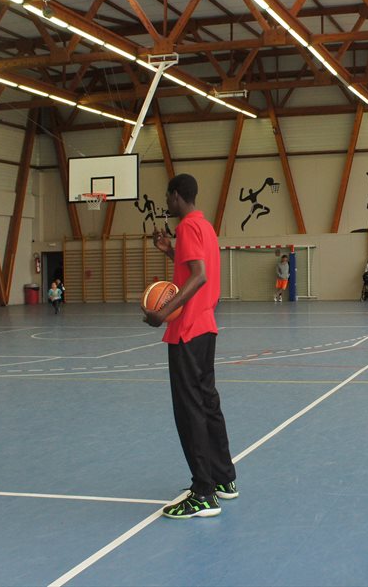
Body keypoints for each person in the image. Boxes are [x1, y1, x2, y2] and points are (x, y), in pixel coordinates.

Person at [144, 174, 236, 519]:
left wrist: (162, 312)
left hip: (187, 330)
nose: (166, 203)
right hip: (206, 327)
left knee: (190, 411)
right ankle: (224, 478)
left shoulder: (186, 227)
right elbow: (193, 269)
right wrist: (169, 251)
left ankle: (203, 493)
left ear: (176, 196)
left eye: (167, 197)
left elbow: (199, 276)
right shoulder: (204, 227)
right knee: (208, 404)